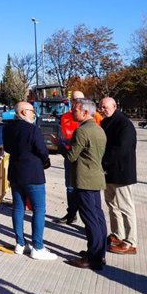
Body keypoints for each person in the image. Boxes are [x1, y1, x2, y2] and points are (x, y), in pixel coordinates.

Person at [2, 101, 57, 260]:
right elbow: (42, 151)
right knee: (39, 209)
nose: (34, 114)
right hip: (33, 174)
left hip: (15, 173)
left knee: (18, 208)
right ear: (24, 112)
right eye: (32, 111)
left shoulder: (8, 128)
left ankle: (20, 243)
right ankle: (38, 247)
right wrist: (45, 160)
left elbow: (7, 148)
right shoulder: (33, 130)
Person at [61, 98, 108, 270]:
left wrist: (60, 145)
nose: (72, 112)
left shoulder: (82, 131)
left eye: (75, 110)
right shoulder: (98, 129)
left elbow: (71, 157)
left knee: (90, 220)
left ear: (86, 112)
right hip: (95, 178)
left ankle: (93, 258)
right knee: (98, 217)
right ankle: (99, 252)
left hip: (85, 180)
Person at [99, 97, 138, 255]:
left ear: (115, 106)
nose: (102, 109)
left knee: (126, 207)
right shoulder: (105, 122)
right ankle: (118, 234)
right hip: (108, 172)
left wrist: (103, 161)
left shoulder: (124, 124)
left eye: (105, 107)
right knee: (112, 205)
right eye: (101, 107)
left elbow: (120, 149)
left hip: (121, 173)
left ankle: (131, 241)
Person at [54, 90, 85, 225]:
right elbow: (64, 135)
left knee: (85, 189)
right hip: (70, 156)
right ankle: (71, 214)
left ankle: (87, 218)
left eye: (79, 99)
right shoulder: (66, 117)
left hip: (85, 158)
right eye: (74, 99)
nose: (76, 102)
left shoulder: (92, 116)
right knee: (70, 187)